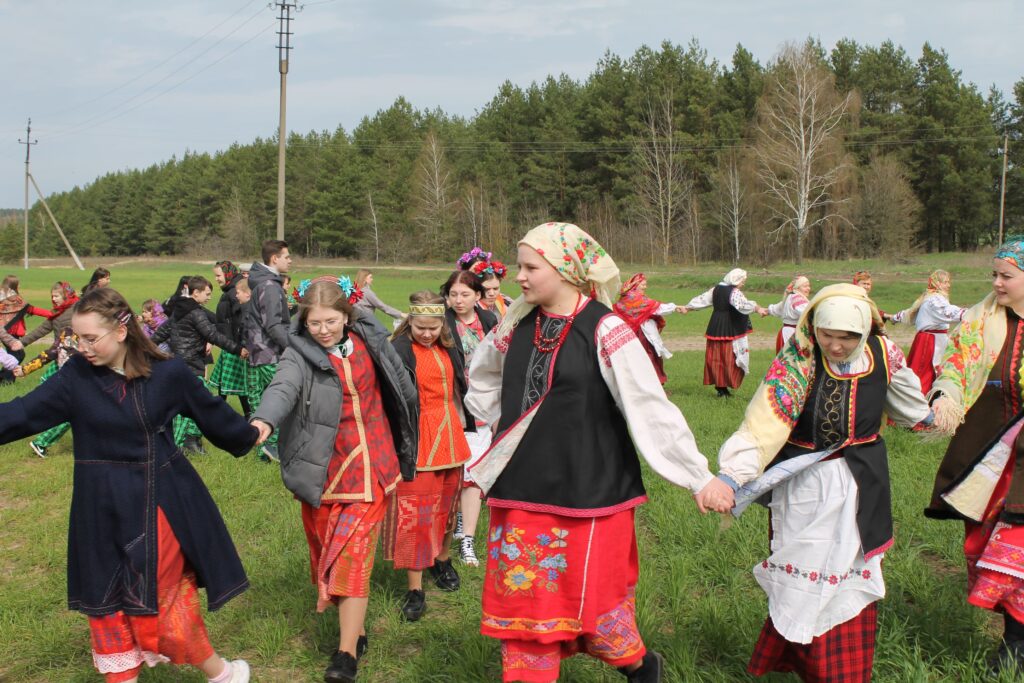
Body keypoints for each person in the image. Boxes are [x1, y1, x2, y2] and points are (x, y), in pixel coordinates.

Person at [465, 222, 733, 683]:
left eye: (531, 268)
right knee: (526, 612)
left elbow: (649, 406)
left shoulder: (605, 329)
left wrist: (697, 475)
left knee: (594, 606)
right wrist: (506, 426)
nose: (520, 277)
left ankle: (639, 666)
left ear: (566, 270)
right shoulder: (515, 325)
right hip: (521, 489)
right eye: (521, 267)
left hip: (590, 495)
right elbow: (484, 375)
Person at [0, 287, 256, 683]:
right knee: (106, 605)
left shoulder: (168, 373)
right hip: (99, 508)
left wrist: (251, 433)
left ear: (121, 331)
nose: (81, 347)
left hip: (158, 504)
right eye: (77, 338)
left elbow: (214, 416)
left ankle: (222, 674)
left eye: (90, 338)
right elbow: (21, 413)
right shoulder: (76, 376)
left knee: (159, 602)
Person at [716, 283, 930, 682]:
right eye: (827, 334)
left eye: (847, 337)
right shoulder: (799, 359)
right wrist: (731, 476)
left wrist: (936, 412)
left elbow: (908, 405)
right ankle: (805, 663)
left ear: (865, 329)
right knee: (804, 572)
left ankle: (843, 672)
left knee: (848, 573)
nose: (835, 345)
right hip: (806, 486)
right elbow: (764, 422)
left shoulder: (884, 353)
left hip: (862, 485)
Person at [251, 276, 417, 683]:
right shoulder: (298, 354)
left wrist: (411, 425)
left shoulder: (369, 340)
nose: (323, 330)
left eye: (330, 321)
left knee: (352, 557)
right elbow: (282, 389)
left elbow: (401, 383)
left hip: (373, 466)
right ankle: (355, 631)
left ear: (347, 315)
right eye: (314, 323)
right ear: (303, 321)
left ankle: (345, 655)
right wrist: (262, 422)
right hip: (325, 471)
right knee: (328, 552)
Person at [925, 236, 1024, 675]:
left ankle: (1016, 644)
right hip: (991, 454)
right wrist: (946, 395)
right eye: (995, 275)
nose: (997, 283)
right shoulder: (979, 320)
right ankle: (1015, 637)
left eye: (1007, 276)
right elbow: (958, 363)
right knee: (994, 548)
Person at [387, 290, 474, 620]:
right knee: (416, 513)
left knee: (448, 506)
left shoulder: (449, 347)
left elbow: (461, 388)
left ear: (442, 325)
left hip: (450, 434)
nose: (426, 334)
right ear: (410, 321)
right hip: (417, 438)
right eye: (420, 327)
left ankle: (442, 560)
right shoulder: (397, 350)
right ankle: (415, 588)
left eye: (433, 328)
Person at [153, 276, 248, 455]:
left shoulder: (179, 310)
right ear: (196, 293)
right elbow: (213, 335)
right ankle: (184, 443)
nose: (210, 297)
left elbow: (159, 334)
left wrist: (143, 349)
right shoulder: (196, 313)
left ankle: (191, 442)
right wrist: (237, 349)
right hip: (191, 366)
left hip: (178, 365)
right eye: (207, 293)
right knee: (201, 404)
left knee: (188, 405)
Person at [442, 269, 498, 567]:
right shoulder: (442, 323)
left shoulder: (489, 320)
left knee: (474, 475)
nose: (458, 300)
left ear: (478, 295)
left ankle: (467, 540)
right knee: (456, 474)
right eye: (453, 294)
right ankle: (455, 522)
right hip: (453, 407)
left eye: (465, 294)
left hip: (483, 408)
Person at [15, 281, 80, 458]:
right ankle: (40, 436)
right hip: (64, 363)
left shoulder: (77, 312)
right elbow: (43, 332)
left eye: (56, 295)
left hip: (69, 363)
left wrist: (25, 369)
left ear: (66, 295)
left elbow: (54, 349)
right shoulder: (58, 314)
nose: (53, 299)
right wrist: (21, 343)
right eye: (52, 296)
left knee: (71, 407)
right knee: (70, 408)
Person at [245, 239, 293, 462]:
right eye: (287, 256)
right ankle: (273, 446)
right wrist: (293, 347)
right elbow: (273, 325)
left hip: (257, 352)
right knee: (282, 399)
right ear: (275, 258)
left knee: (262, 402)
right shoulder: (270, 286)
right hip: (269, 353)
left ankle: (263, 451)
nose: (290, 261)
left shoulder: (263, 283)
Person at [684, 269, 767, 397]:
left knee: (717, 357)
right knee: (729, 357)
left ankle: (721, 387)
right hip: (730, 327)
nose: (743, 283)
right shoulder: (734, 292)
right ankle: (723, 387)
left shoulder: (716, 289)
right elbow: (742, 305)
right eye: (742, 281)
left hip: (716, 326)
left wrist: (688, 307)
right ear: (735, 279)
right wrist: (757, 308)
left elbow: (702, 300)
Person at [886, 270, 966, 395]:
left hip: (933, 340)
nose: (948, 285)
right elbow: (948, 312)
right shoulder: (934, 300)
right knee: (923, 375)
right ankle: (918, 402)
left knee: (928, 374)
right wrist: (974, 313)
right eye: (945, 282)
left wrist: (893, 317)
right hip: (929, 342)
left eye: (948, 282)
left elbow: (910, 313)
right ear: (937, 283)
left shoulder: (930, 298)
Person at [613, 273, 682, 385]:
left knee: (633, 359)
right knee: (649, 357)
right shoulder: (638, 299)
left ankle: (634, 383)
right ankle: (652, 383)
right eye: (643, 284)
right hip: (642, 335)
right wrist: (675, 307)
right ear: (635, 285)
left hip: (628, 335)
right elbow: (657, 308)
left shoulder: (625, 298)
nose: (645, 287)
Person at [210, 261, 252, 418]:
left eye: (218, 275)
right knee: (227, 383)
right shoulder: (230, 290)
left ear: (228, 274)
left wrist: (240, 345)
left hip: (234, 345)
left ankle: (246, 415)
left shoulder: (235, 291)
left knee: (234, 384)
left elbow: (242, 319)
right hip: (229, 344)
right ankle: (220, 413)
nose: (216, 279)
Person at [0, 274, 52, 382]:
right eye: (18, 284)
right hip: (9, 334)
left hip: (4, 332)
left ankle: (5, 378)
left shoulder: (2, 299)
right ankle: (5, 379)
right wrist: (52, 314)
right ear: (14, 286)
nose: (19, 286)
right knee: (18, 355)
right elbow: (33, 310)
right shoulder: (16, 301)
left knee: (14, 355)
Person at [764, 275, 811, 353]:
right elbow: (807, 313)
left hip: (787, 332)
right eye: (805, 286)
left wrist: (768, 311)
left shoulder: (790, 297)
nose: (808, 288)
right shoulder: (797, 298)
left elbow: (778, 308)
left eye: (809, 286)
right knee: (792, 358)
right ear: (797, 288)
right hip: (791, 334)